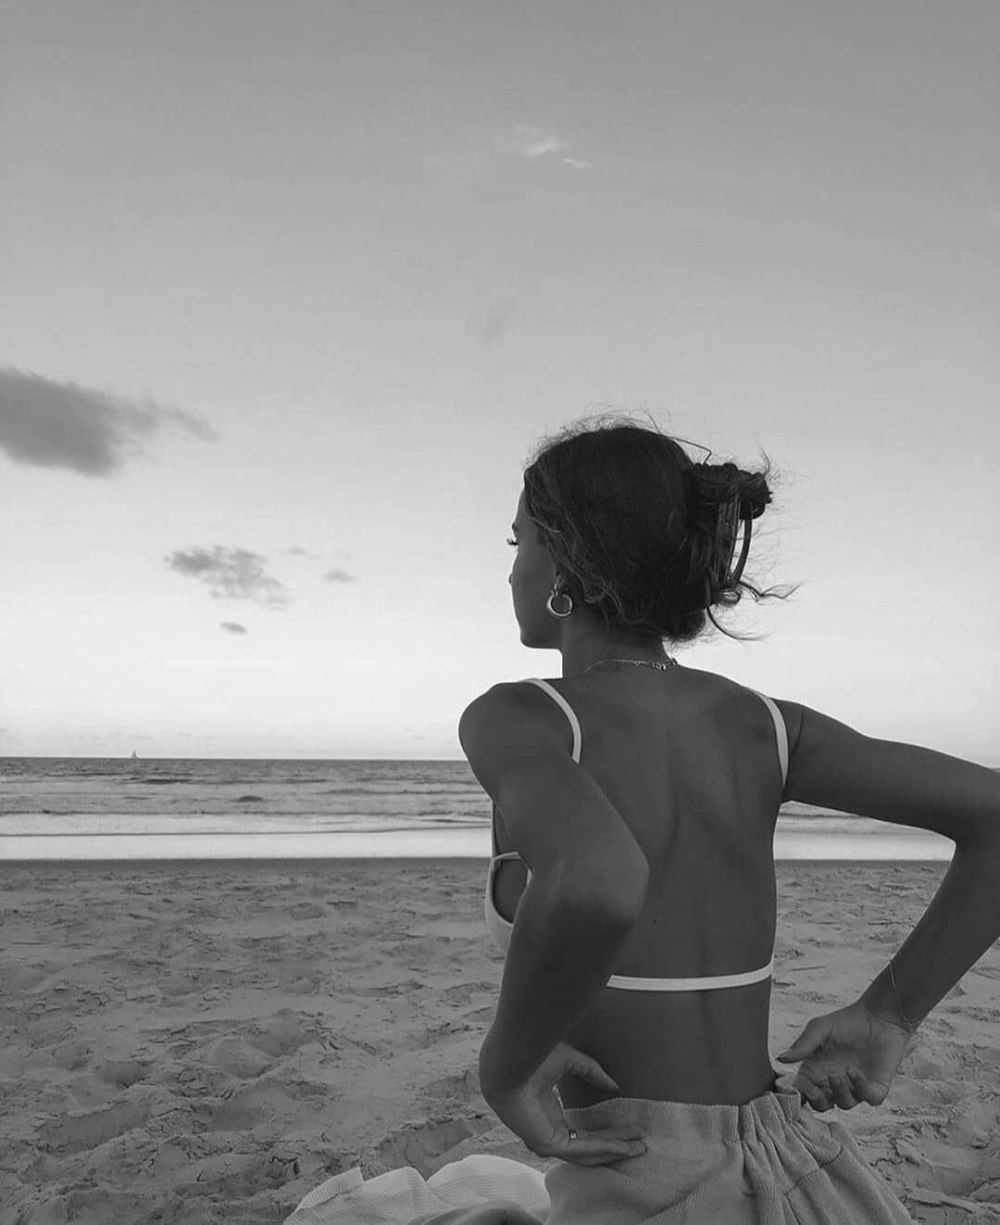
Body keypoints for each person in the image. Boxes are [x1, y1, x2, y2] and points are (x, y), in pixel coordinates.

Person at [284, 412, 1000, 1224]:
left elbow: (597, 876)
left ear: (564, 559)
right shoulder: (769, 726)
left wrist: (508, 1063)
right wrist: (888, 1014)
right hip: (797, 1166)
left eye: (518, 541)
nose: (511, 569)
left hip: (643, 1184)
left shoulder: (521, 718)